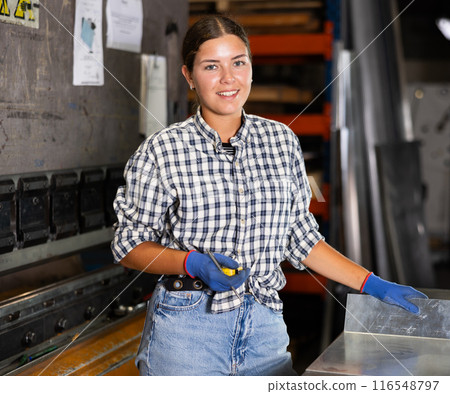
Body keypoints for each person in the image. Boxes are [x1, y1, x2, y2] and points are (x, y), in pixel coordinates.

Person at [111, 15, 427, 376]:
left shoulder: (281, 141)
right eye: (211, 66)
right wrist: (191, 263)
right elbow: (129, 246)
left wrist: (371, 283)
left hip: (264, 331)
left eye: (238, 63)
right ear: (189, 76)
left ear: (250, 67)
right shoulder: (162, 150)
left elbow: (301, 239)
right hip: (186, 332)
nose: (228, 78)